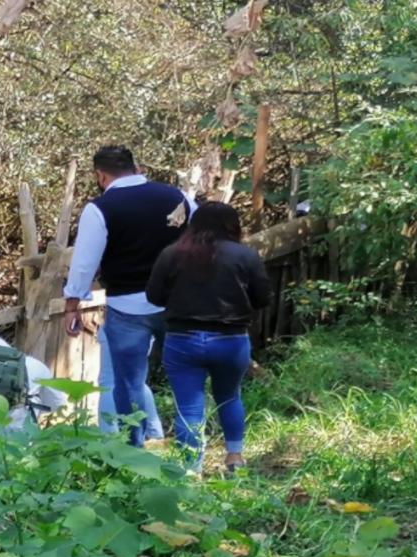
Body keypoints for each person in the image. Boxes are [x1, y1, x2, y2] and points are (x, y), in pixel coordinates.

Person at [63, 145, 193, 448]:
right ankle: (190, 452)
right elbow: (203, 236)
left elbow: (84, 263)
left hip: (127, 307)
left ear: (100, 175)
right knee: (186, 379)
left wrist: (72, 303)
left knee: (126, 382)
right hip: (177, 302)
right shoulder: (176, 197)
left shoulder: (100, 208)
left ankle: (130, 450)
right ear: (136, 168)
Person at [147, 202, 272, 473]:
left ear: (193, 224)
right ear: (232, 225)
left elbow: (153, 296)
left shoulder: (172, 254)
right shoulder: (245, 256)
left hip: (182, 340)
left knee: (188, 407)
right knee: (230, 397)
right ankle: (234, 457)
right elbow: (263, 297)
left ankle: (191, 470)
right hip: (231, 340)